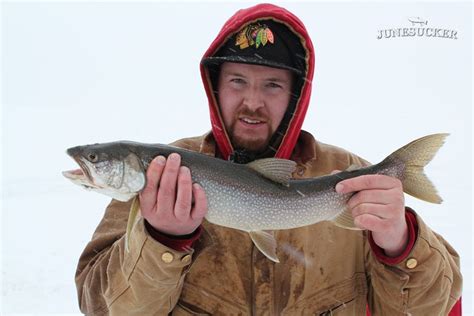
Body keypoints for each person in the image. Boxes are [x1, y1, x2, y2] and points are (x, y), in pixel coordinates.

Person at [75, 3, 462, 315]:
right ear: (216, 87)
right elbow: (100, 308)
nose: (253, 102)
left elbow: (436, 308)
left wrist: (399, 243)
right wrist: (161, 241)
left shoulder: (352, 176)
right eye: (237, 81)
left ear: (296, 95)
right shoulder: (162, 179)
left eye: (273, 85)